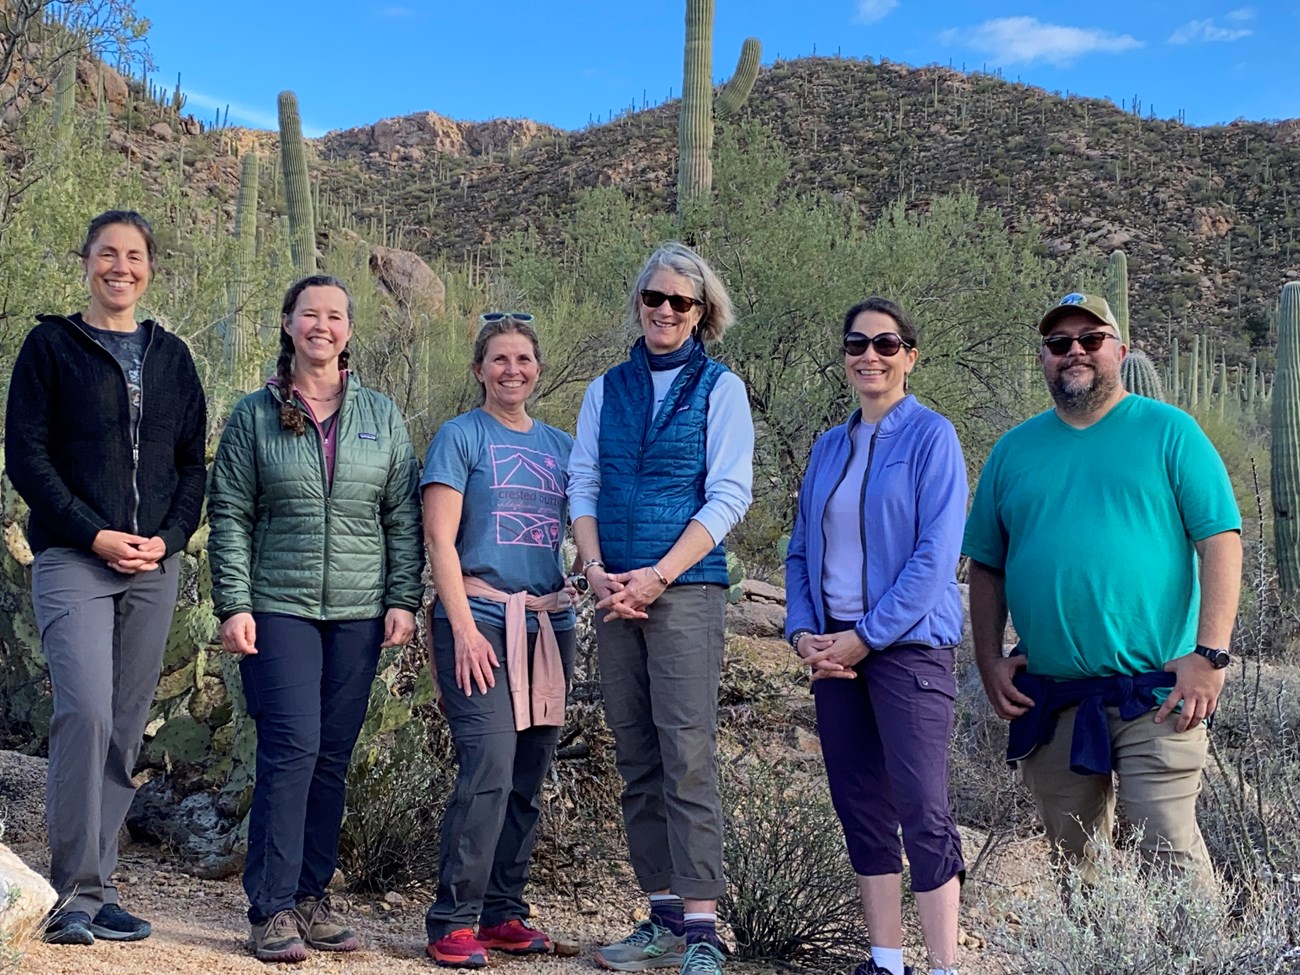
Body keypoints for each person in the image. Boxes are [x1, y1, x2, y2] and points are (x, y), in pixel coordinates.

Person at [963, 292, 1242, 894]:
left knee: (1168, 856)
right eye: (1060, 343)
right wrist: (987, 659)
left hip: (1157, 693)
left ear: (1119, 349)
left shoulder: (1171, 433)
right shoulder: (1014, 451)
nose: (1075, 353)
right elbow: (986, 565)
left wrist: (1211, 656)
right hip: (1056, 697)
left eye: (1089, 340)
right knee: (1075, 869)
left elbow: (1220, 540)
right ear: (1044, 356)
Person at [4, 210, 207, 946]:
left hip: (154, 565)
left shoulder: (173, 358)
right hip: (73, 558)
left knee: (125, 727)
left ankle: (100, 885)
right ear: (85, 260)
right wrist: (94, 531)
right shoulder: (51, 346)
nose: (121, 267)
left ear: (150, 266)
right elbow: (26, 456)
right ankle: (67, 892)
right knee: (84, 712)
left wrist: (167, 538)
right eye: (107, 254)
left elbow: (193, 466)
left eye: (135, 256)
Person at [208, 274, 423, 964]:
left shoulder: (381, 415)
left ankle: (310, 896)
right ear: (288, 323)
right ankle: (269, 907)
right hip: (281, 604)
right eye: (310, 314)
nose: (322, 325)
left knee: (332, 755)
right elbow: (231, 515)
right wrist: (234, 603)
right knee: (291, 747)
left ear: (349, 330)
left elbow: (402, 514)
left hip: (360, 610)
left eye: (335, 315)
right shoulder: (254, 415)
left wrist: (402, 597)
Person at [568, 242, 754, 975]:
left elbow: (729, 493)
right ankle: (663, 916)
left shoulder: (721, 389)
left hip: (685, 590)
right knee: (636, 753)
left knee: (686, 752)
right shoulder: (604, 389)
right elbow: (582, 481)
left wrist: (658, 574)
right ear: (639, 302)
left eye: (681, 301)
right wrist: (595, 571)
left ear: (703, 312)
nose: (665, 311)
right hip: (612, 589)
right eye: (655, 298)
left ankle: (703, 930)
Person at [784, 298, 967, 975]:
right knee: (860, 803)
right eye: (857, 343)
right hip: (834, 652)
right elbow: (800, 549)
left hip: (908, 649)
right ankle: (886, 961)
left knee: (922, 803)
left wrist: (867, 635)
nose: (871, 355)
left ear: (909, 355)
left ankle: (944, 964)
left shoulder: (931, 437)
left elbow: (934, 557)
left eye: (886, 344)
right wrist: (804, 632)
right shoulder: (830, 446)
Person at [420, 312, 577, 968]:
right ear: (479, 368)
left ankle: (503, 912)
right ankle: (452, 917)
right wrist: (461, 629)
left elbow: (588, 523)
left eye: (523, 359)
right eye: (499, 359)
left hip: (548, 624)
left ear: (538, 367)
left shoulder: (563, 446)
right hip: (478, 616)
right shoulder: (460, 437)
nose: (512, 370)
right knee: (487, 762)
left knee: (528, 774)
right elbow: (440, 540)